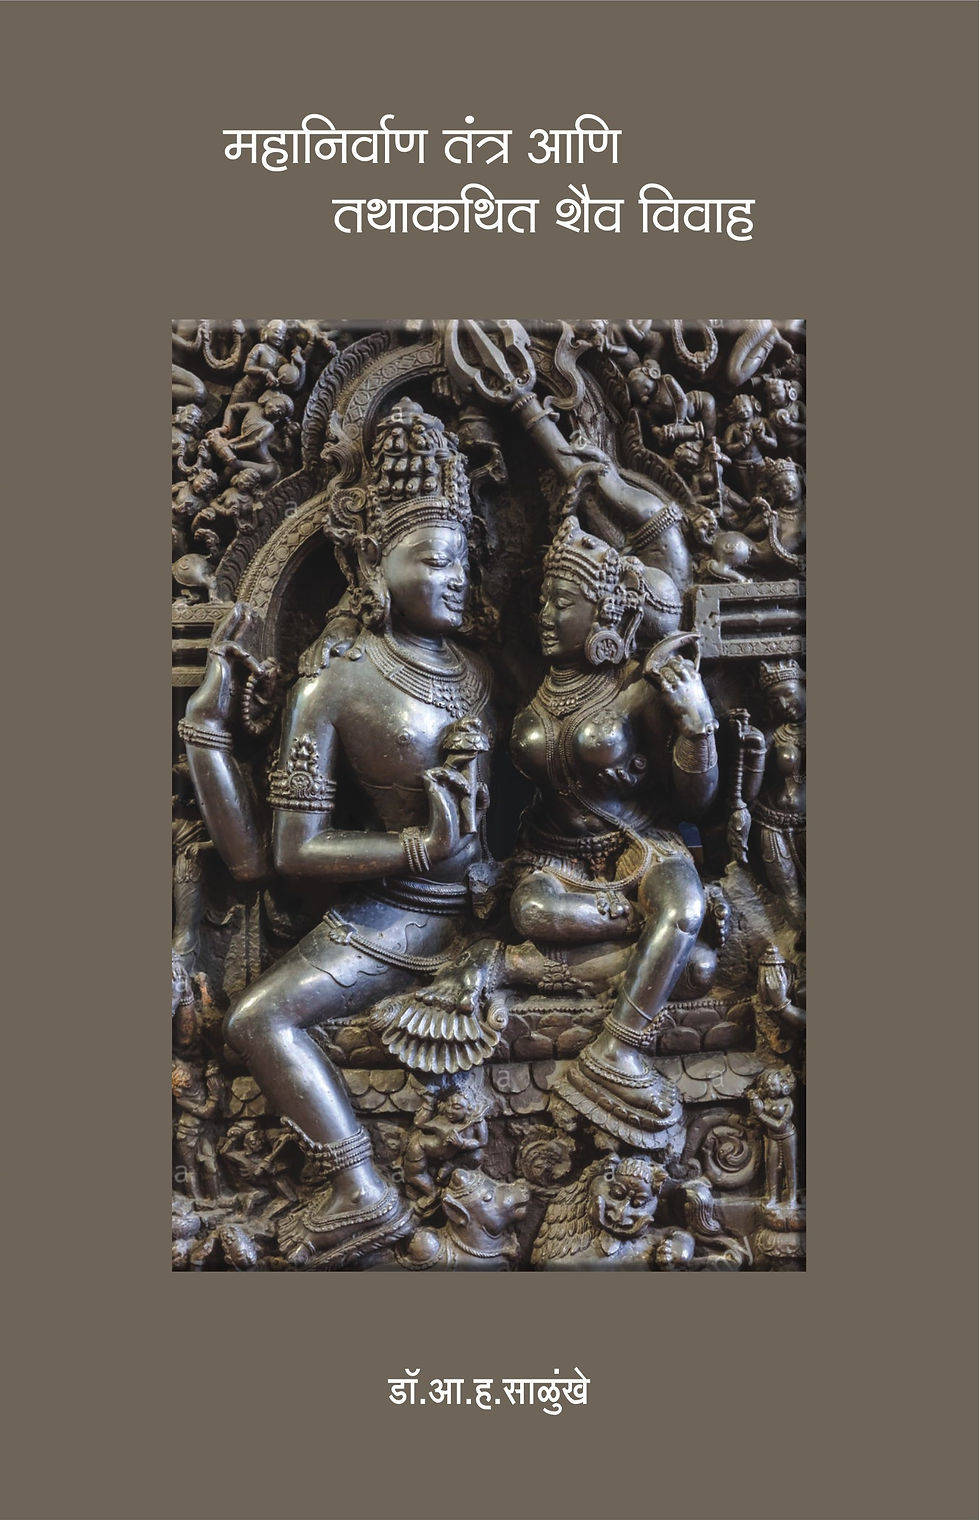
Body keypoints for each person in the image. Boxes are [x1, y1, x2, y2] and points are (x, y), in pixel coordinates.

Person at [179, 398, 494, 1267]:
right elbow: (282, 855)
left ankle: (360, 1191)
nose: (456, 577)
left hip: (474, 901)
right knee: (257, 1020)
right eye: (433, 559)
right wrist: (415, 849)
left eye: (464, 560)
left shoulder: (478, 671)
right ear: (372, 564)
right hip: (393, 908)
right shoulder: (336, 683)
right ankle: (360, 1187)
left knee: (257, 1021)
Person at [508, 516, 720, 1151]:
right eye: (543, 602)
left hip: (640, 847)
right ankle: (653, 953)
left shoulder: (639, 688)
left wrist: (696, 726)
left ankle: (617, 1049)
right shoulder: (531, 684)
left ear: (603, 612)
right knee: (533, 912)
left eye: (561, 603)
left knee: (682, 909)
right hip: (555, 858)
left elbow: (695, 801)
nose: (546, 616)